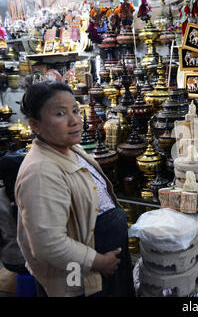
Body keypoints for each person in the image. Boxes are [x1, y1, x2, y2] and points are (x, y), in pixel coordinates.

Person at [15, 81, 135, 297]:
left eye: (75, 111)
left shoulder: (69, 148)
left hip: (103, 258)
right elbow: (47, 244)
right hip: (79, 275)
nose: (75, 121)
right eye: (60, 113)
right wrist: (98, 261)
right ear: (35, 125)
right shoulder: (40, 171)